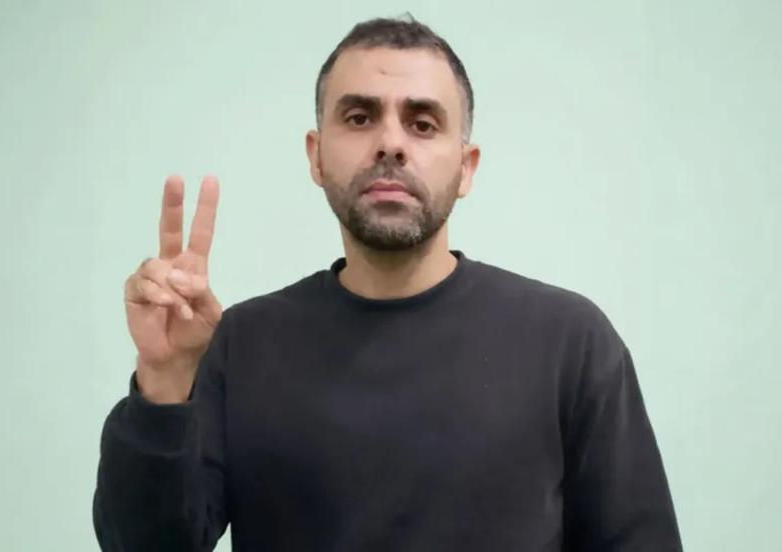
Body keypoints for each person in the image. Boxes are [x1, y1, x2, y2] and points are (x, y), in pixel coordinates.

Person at [93, 15, 683, 552]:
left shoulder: (570, 341)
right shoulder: (244, 342)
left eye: (423, 123)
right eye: (359, 117)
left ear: (467, 166)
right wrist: (164, 383)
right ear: (316, 155)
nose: (391, 143)